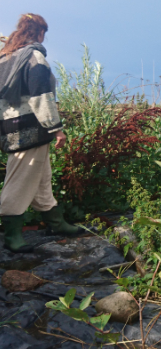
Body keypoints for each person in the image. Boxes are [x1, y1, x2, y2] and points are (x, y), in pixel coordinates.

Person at [0, 13, 83, 253]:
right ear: (39, 33)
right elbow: (41, 98)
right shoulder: (33, 58)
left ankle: (57, 223)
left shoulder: (5, 58)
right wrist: (56, 129)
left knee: (41, 179)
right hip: (31, 130)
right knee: (18, 182)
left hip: (9, 128)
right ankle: (12, 237)